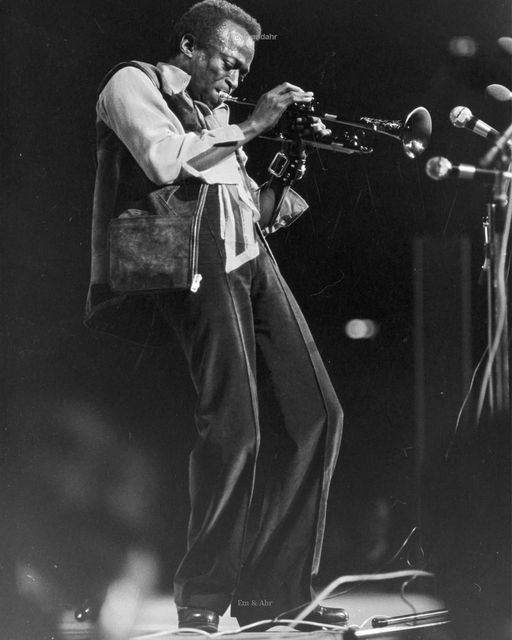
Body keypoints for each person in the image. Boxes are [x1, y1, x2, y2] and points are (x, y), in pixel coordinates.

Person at [85, 0, 345, 632]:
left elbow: (243, 207)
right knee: (234, 424)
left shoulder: (220, 117)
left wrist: (282, 175)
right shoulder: (133, 83)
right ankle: (203, 597)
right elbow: (166, 162)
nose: (234, 77)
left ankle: (277, 592)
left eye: (244, 68)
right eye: (228, 62)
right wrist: (253, 125)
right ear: (189, 48)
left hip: (247, 257)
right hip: (186, 262)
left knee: (315, 413)